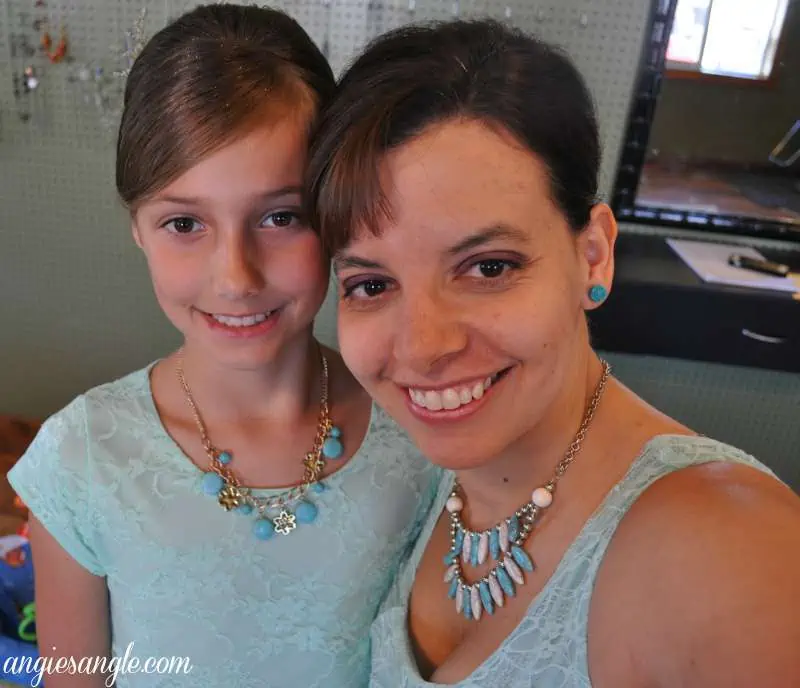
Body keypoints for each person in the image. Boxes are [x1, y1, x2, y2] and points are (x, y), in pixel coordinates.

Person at [306, 18, 800, 687]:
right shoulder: (423, 486)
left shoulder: (733, 556)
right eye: (371, 283)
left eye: (487, 268)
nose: (422, 347)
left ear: (591, 254)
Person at [8, 5, 440, 687]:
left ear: (333, 216)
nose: (236, 277)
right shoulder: (82, 460)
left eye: (281, 216)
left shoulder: (423, 437)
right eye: (185, 222)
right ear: (138, 229)